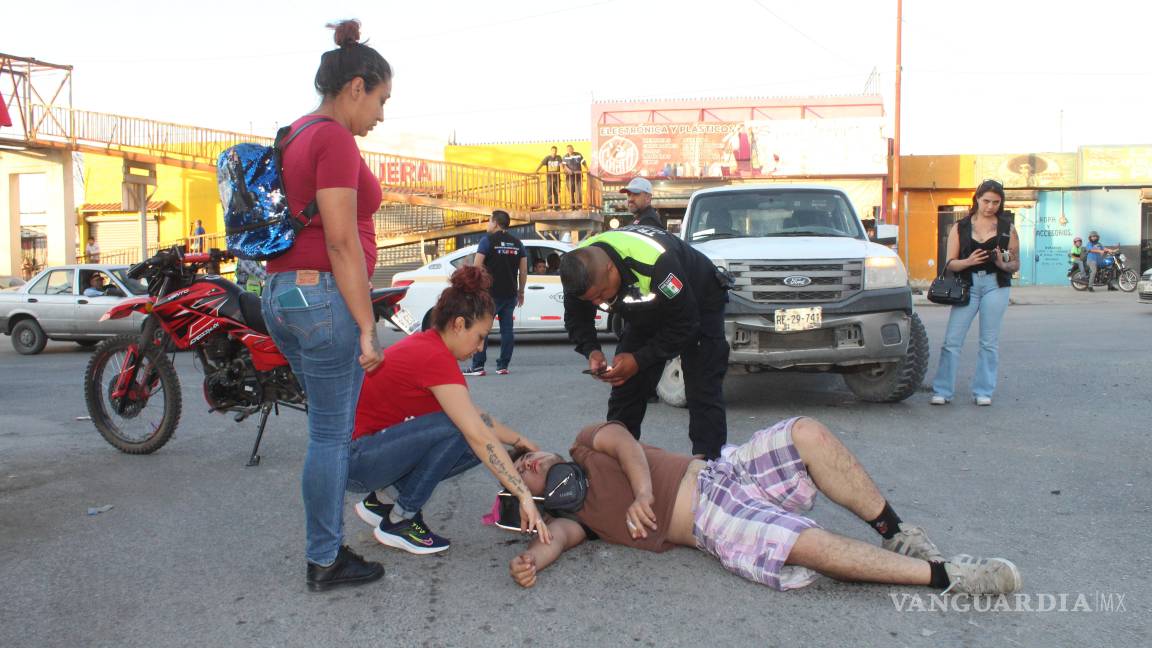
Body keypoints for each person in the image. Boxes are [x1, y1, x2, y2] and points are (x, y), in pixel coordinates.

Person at [506, 417, 1022, 597]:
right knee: (803, 544)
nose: (530, 467)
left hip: (723, 471)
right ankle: (944, 575)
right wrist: (533, 557)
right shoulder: (573, 517)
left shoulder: (582, 445)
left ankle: (895, 528)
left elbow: (624, 443)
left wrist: (643, 492)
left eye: (527, 458)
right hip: (713, 520)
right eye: (522, 475)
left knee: (805, 432)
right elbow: (560, 540)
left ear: (542, 450)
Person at [260, 19, 391, 592]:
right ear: (356, 87)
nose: (382, 115)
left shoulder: (296, 132)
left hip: (282, 293)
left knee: (325, 430)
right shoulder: (334, 137)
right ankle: (324, 558)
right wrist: (366, 326)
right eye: (381, 99)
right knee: (331, 436)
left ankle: (325, 550)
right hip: (321, 296)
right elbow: (340, 240)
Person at [348, 265, 550, 554]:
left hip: (363, 451)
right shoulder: (434, 358)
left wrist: (518, 441)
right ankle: (400, 520)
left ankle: (382, 502)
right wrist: (524, 495)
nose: (480, 349)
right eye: (480, 337)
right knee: (463, 432)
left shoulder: (429, 346)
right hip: (355, 460)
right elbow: (474, 430)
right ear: (457, 324)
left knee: (468, 437)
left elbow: (475, 416)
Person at [560, 223, 730, 459]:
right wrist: (592, 351)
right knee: (625, 385)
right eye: (592, 299)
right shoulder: (578, 268)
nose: (598, 302)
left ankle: (710, 467)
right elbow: (577, 317)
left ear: (610, 269)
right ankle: (617, 460)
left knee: (702, 387)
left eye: (601, 294)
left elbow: (685, 324)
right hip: (648, 307)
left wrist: (640, 360)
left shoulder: (657, 263)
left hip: (698, 302)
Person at [930, 180, 1020, 407]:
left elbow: (1015, 264)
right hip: (967, 285)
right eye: (986, 201)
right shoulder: (960, 227)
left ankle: (983, 391)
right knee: (952, 341)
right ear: (977, 199)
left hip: (996, 285)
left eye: (996, 202)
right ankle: (942, 390)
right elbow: (950, 263)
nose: (990, 206)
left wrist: (1002, 263)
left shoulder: (1007, 227)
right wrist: (968, 261)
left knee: (988, 342)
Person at [465, 210, 526, 376]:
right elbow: (523, 271)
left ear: (496, 223)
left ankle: (478, 366)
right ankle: (503, 366)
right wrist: (521, 292)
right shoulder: (517, 243)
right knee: (507, 331)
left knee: (481, 329)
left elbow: (476, 268)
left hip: (489, 294)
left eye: (489, 221)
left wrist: (474, 289)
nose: (487, 224)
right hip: (510, 294)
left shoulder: (487, 241)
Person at [562, 144, 588, 209]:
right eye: (568, 149)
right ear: (567, 150)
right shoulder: (565, 157)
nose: (569, 150)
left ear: (573, 149)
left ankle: (579, 206)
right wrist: (568, 170)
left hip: (578, 176)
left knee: (579, 191)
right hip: (569, 177)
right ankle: (572, 206)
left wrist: (587, 169)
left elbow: (583, 162)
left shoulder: (578, 155)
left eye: (571, 149)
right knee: (571, 191)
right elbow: (563, 166)